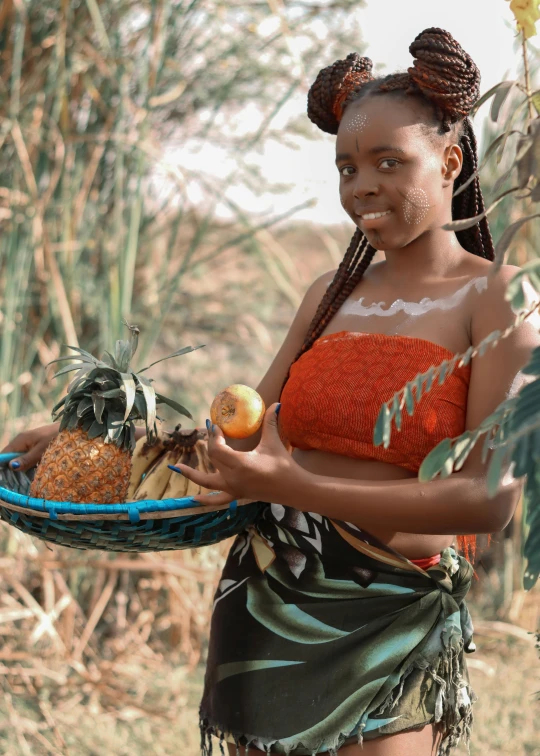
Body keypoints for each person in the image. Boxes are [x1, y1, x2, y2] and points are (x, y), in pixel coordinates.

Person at [2, 27, 538, 756]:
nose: (362, 186)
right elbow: (245, 435)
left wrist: (296, 485)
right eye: (347, 168)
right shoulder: (331, 292)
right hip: (271, 593)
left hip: (393, 613)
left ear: (449, 161)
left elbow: (489, 500)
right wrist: (93, 445)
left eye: (389, 161)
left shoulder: (499, 299)